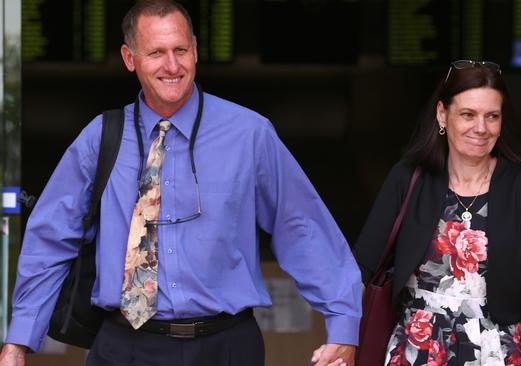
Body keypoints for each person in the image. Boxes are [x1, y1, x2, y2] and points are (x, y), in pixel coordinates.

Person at [0, 1, 360, 365]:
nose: (172, 66)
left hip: (226, 347)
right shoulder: (100, 138)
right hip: (124, 348)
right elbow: (51, 238)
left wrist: (343, 324)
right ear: (130, 58)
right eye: (156, 52)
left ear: (196, 51)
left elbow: (301, 226)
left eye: (180, 50)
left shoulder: (249, 134)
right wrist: (19, 340)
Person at [352, 60, 521, 366]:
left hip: (497, 352)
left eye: (492, 116)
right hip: (416, 349)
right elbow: (362, 267)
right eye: (468, 114)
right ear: (441, 114)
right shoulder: (408, 178)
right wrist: (340, 338)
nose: (481, 128)